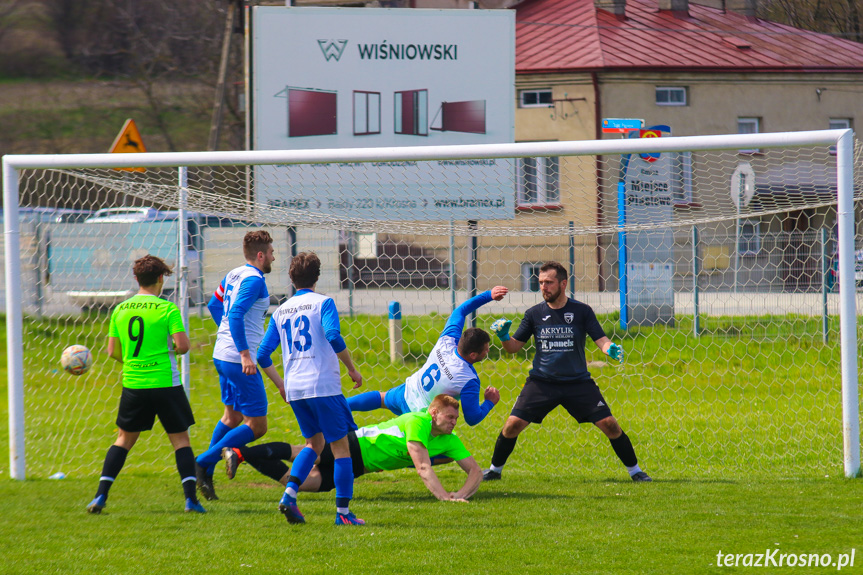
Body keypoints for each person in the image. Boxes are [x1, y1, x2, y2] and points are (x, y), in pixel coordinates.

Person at [483, 261, 651, 483]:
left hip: (578, 383)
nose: (544, 287)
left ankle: (635, 471)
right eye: (541, 282)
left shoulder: (582, 311)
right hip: (542, 382)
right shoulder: (533, 314)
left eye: (549, 282)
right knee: (512, 425)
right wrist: (505, 337)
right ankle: (494, 470)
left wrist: (610, 348)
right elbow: (514, 348)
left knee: (610, 425)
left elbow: (600, 340)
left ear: (563, 284)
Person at [86, 255, 205, 514]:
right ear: (161, 278)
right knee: (181, 441)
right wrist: (171, 347)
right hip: (165, 383)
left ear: (136, 278)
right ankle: (190, 501)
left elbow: (112, 351)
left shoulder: (120, 309)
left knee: (123, 440)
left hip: (134, 384)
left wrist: (133, 362)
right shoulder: (167, 309)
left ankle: (100, 497)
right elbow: (183, 346)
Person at [257, 252, 365, 525]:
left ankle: (289, 495)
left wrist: (280, 384)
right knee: (341, 449)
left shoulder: (281, 310)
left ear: (291, 279)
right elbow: (332, 335)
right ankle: (343, 514)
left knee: (313, 444)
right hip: (323, 386)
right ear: (318, 277)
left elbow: (262, 355)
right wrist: (352, 368)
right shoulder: (323, 303)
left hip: (296, 388)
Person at [222, 395, 482, 502]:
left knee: (300, 483)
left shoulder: (450, 439)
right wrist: (444, 498)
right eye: (449, 417)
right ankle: (240, 451)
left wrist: (461, 494)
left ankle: (242, 453)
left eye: (455, 419)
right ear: (433, 412)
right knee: (301, 452)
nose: (453, 422)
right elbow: (423, 467)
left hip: (360, 466)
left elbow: (475, 472)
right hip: (355, 445)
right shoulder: (418, 421)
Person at [195, 230, 278, 501]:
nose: (274, 257)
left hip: (222, 355)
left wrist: (227, 335)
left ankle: (204, 472)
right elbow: (237, 313)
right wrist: (244, 353)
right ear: (261, 254)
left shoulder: (234, 274)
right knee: (257, 426)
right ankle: (202, 461)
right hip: (237, 360)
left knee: (231, 418)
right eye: (272, 252)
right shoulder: (255, 280)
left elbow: (213, 304)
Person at [347, 286, 508, 426]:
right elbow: (472, 419)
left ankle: (340, 405)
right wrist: (489, 402)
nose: (488, 352)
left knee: (380, 398)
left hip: (407, 392)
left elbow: (460, 311)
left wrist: (489, 295)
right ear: (473, 354)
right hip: (420, 417)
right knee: (443, 454)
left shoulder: (447, 341)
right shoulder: (468, 380)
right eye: (485, 350)